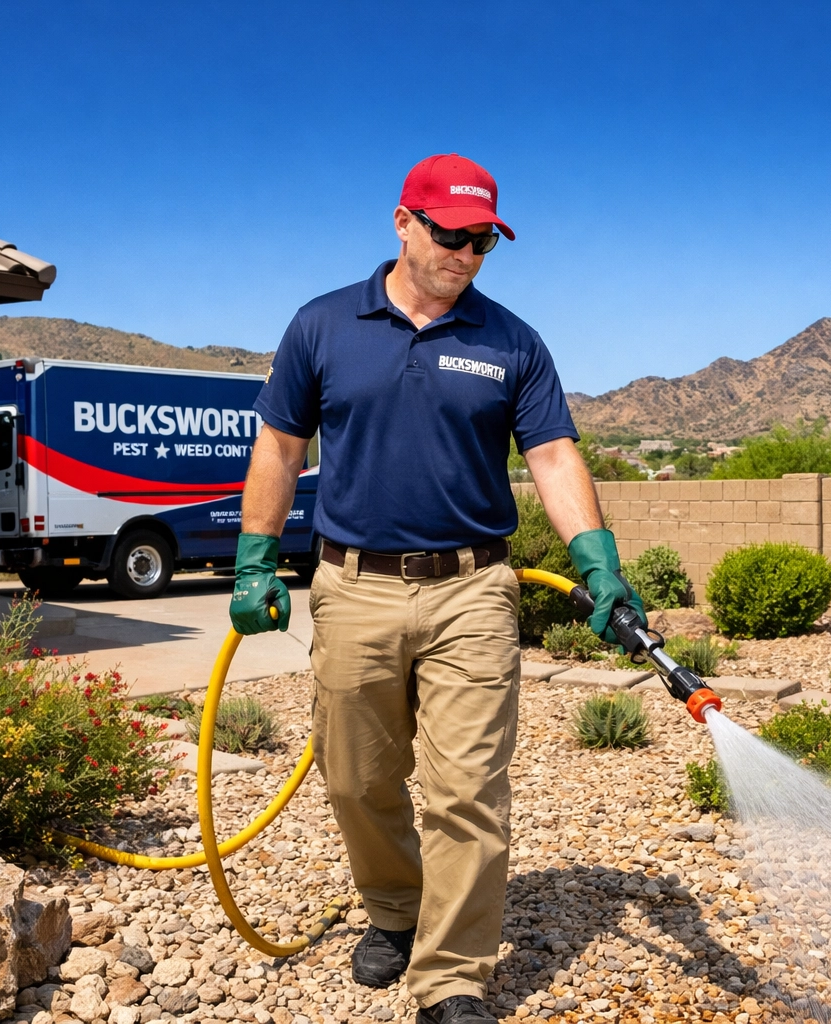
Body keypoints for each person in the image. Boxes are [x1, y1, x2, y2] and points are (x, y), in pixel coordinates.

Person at [230, 154, 646, 1024]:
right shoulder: (322, 326)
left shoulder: (511, 342)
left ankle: (452, 974)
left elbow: (555, 456)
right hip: (354, 586)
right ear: (402, 222)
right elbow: (278, 447)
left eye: (483, 240)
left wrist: (598, 558)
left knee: (467, 790)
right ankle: (394, 909)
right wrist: (256, 559)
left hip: (473, 591)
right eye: (450, 233)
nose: (465, 253)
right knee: (357, 780)